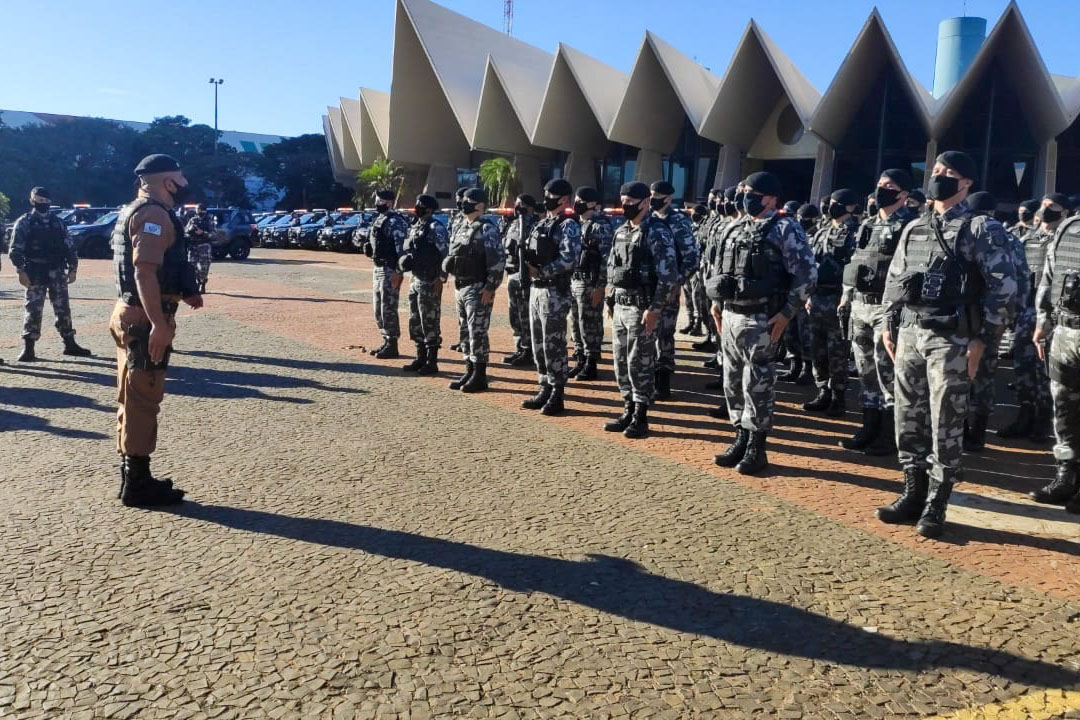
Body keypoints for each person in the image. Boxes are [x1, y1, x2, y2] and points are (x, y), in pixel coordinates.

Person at [877, 151, 1016, 538]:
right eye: (936, 171)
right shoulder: (914, 227)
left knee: (946, 422)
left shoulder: (980, 228)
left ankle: (937, 502)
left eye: (948, 172)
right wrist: (888, 324)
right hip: (910, 333)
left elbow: (1004, 289)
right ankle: (912, 491)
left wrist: (983, 340)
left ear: (966, 183)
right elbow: (896, 280)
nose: (938, 177)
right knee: (908, 416)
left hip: (952, 339)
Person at [707, 171, 816, 475]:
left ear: (770, 198)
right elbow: (720, 269)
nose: (744, 198)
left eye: (751, 194)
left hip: (761, 318)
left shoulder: (784, 228)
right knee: (732, 381)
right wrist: (716, 303)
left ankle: (757, 446)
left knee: (758, 383)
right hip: (731, 314)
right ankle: (740, 438)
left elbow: (807, 273)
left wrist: (787, 312)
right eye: (743, 192)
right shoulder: (735, 226)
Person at [110, 154, 203, 506]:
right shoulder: (153, 215)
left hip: (131, 312)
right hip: (145, 318)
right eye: (181, 178)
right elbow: (144, 271)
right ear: (168, 182)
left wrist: (186, 290)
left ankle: (132, 475)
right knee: (144, 398)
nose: (184, 185)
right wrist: (159, 326)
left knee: (131, 395)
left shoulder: (134, 209)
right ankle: (137, 484)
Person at [837, 169, 919, 454]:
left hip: (888, 310)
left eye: (889, 186)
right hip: (861, 306)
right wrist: (846, 298)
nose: (881, 190)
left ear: (904, 194)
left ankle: (889, 434)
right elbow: (856, 262)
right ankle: (868, 427)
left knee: (888, 373)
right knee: (866, 371)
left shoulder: (910, 226)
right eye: (880, 184)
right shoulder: (868, 224)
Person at [603, 182, 677, 438]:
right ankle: (628, 408)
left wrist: (654, 309)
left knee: (640, 363)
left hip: (641, 308)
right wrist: (610, 300)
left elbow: (668, 276)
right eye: (623, 201)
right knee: (621, 362)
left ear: (645, 202)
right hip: (621, 305)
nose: (625, 206)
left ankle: (641, 415)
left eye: (630, 202)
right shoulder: (621, 230)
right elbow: (612, 268)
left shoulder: (657, 232)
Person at [998, 193, 1070, 441]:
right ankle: (1025, 415)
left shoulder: (1065, 241)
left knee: (1046, 371)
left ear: (1065, 212)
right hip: (1025, 313)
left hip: (1051, 317)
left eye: (1053, 206)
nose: (1045, 210)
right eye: (1043, 205)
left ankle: (1043, 421)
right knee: (1023, 368)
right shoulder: (1027, 240)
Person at [962, 191, 1021, 451]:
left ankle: (968, 430)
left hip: (977, 316)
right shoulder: (1011, 239)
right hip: (991, 316)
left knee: (967, 375)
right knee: (984, 375)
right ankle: (976, 431)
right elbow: (1020, 279)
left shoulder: (972, 234)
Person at [1030, 205, 1080, 512]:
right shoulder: (1069, 227)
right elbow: (1049, 279)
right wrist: (1042, 322)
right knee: (1063, 407)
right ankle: (1066, 476)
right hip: (1065, 332)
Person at [8, 187, 91, 362]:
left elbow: (69, 246)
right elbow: (15, 250)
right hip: (35, 271)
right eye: (39, 201)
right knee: (33, 309)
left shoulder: (58, 222)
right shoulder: (25, 222)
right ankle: (29, 348)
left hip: (57, 271)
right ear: (32, 201)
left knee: (63, 308)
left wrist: (73, 269)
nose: (42, 204)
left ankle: (69, 343)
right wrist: (21, 271)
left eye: (45, 202)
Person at [521, 179, 582, 416]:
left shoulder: (568, 225)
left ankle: (557, 392)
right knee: (538, 342)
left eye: (551, 195)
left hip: (554, 291)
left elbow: (569, 259)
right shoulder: (542, 223)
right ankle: (544, 386)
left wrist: (542, 271)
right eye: (545, 194)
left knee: (553, 343)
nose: (546, 198)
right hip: (537, 290)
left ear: (564, 199)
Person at [803, 189, 859, 417]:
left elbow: (854, 269)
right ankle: (822, 390)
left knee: (837, 351)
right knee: (817, 349)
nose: (830, 207)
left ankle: (838, 396)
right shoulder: (822, 231)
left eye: (837, 203)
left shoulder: (855, 233)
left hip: (838, 299)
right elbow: (810, 264)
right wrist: (808, 295)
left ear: (850, 207)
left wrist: (847, 300)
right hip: (817, 298)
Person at [443, 188, 506, 393]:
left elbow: (497, 261)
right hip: (461, 285)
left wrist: (490, 287)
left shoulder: (487, 229)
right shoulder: (461, 226)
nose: (463, 204)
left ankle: (480, 375)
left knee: (477, 331)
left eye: (468, 201)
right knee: (464, 330)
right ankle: (469, 370)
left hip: (478, 287)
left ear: (479, 205)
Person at [650, 181, 699, 400]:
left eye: (657, 195)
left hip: (669, 286)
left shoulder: (678, 221)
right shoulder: (649, 219)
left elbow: (691, 257)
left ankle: (663, 379)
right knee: (647, 331)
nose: (653, 199)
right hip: (649, 285)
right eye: (651, 195)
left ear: (668, 198)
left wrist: (677, 282)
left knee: (664, 332)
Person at [400, 194, 450, 375]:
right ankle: (420, 357)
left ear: (429, 209)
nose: (416, 208)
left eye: (420, 205)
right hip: (415, 278)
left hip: (430, 280)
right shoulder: (416, 226)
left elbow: (446, 254)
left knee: (429, 320)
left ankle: (431, 361)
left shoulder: (436, 227)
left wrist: (441, 278)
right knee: (415, 320)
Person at [567, 187, 613, 381]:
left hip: (590, 282)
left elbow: (607, 260)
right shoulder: (577, 223)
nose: (577, 203)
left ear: (593, 203)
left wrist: (600, 287)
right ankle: (580, 358)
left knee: (589, 323)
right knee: (575, 322)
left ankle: (591, 362)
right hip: (575, 279)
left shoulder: (600, 226)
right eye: (576, 200)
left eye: (581, 200)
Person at [364, 189, 409, 359]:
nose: (377, 203)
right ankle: (385, 339)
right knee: (378, 308)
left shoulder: (396, 221)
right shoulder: (380, 219)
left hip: (390, 269)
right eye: (377, 200)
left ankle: (392, 343)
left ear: (389, 202)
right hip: (378, 268)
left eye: (380, 200)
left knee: (388, 307)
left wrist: (398, 271)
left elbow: (402, 250)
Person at [502, 194, 538, 366]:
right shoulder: (513, 224)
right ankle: (519, 348)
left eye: (521, 205)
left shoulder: (534, 225)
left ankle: (528, 349)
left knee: (525, 315)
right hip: (511, 273)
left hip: (524, 275)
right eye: (516, 204)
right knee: (514, 314)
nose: (517, 208)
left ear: (530, 207)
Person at [184, 203, 214, 294]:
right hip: (193, 246)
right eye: (197, 209)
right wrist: (189, 231)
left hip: (204, 246)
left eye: (199, 209)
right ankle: (197, 281)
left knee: (203, 268)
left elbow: (214, 234)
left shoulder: (209, 220)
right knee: (191, 266)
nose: (197, 211)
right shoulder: (193, 220)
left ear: (203, 210)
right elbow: (185, 232)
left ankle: (202, 283)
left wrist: (203, 233)